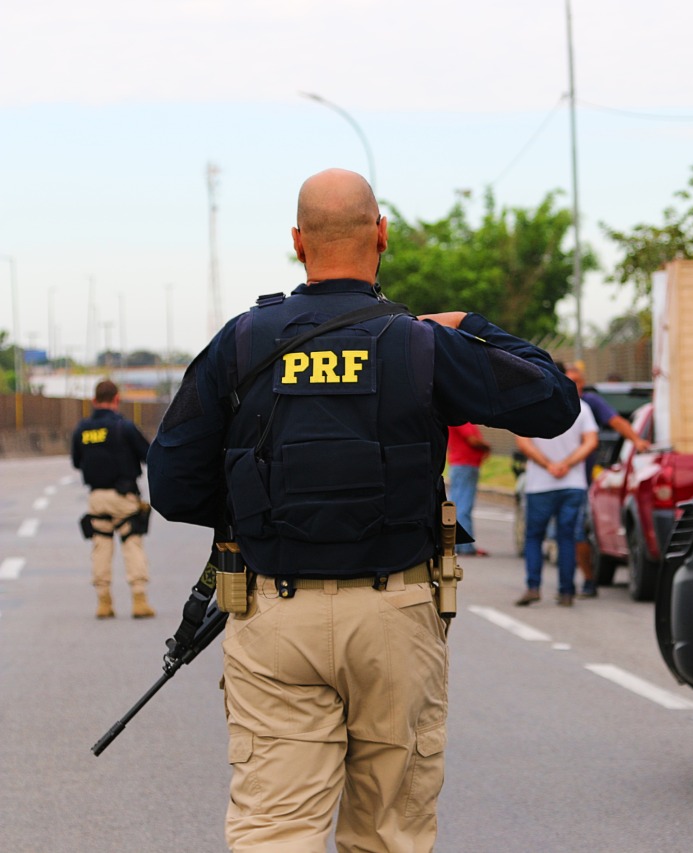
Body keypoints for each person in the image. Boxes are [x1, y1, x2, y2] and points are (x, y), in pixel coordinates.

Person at [146, 168, 579, 852]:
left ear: (297, 242)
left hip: (274, 612)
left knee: (274, 831)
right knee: (387, 834)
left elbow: (171, 485)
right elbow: (555, 400)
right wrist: (471, 325)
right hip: (396, 614)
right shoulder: (422, 344)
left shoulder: (242, 343)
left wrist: (264, 509)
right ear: (382, 234)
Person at [513, 365, 598, 607]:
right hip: (572, 483)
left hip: (540, 484)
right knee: (567, 537)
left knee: (534, 537)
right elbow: (591, 441)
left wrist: (549, 465)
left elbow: (523, 442)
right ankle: (567, 591)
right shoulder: (582, 408)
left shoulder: (530, 404)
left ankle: (533, 587)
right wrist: (567, 464)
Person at [71, 378, 155, 619]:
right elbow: (148, 455)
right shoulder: (124, 427)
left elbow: (77, 462)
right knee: (131, 543)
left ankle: (104, 602)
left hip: (96, 497)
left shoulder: (82, 429)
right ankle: (139, 600)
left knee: (101, 546)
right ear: (117, 399)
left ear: (94, 401)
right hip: (124, 497)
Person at [562, 363, 649, 596]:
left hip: (581, 480)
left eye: (579, 382)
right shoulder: (550, 401)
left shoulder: (589, 403)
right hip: (550, 479)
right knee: (565, 534)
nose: (576, 387)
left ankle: (587, 581)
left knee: (578, 531)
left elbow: (616, 421)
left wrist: (636, 440)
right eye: (571, 382)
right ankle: (565, 585)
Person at [447, 423, 490, 556]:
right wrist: (487, 446)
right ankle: (464, 546)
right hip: (465, 464)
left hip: (460, 464)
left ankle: (457, 544)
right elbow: (472, 440)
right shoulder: (461, 419)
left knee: (457, 504)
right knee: (463, 506)